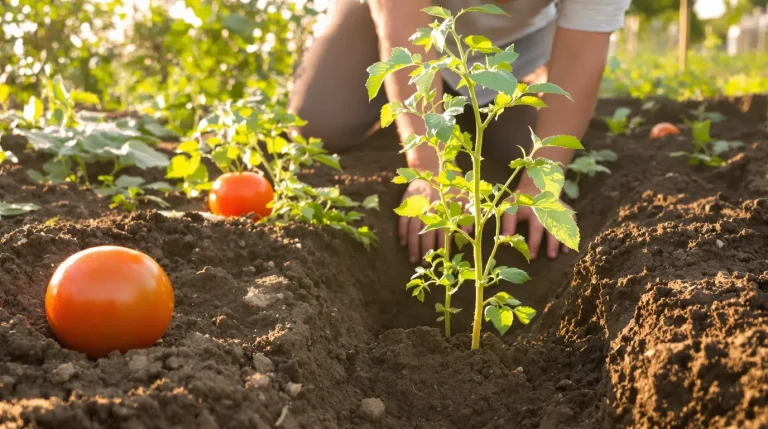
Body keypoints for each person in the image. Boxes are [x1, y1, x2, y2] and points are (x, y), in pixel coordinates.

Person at [288, 0, 632, 263]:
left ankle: (471, 107)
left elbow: (581, 53)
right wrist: (429, 169)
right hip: (395, 19)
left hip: (517, 42)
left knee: (521, 149)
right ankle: (426, 113)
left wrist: (542, 184)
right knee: (319, 126)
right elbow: (403, 27)